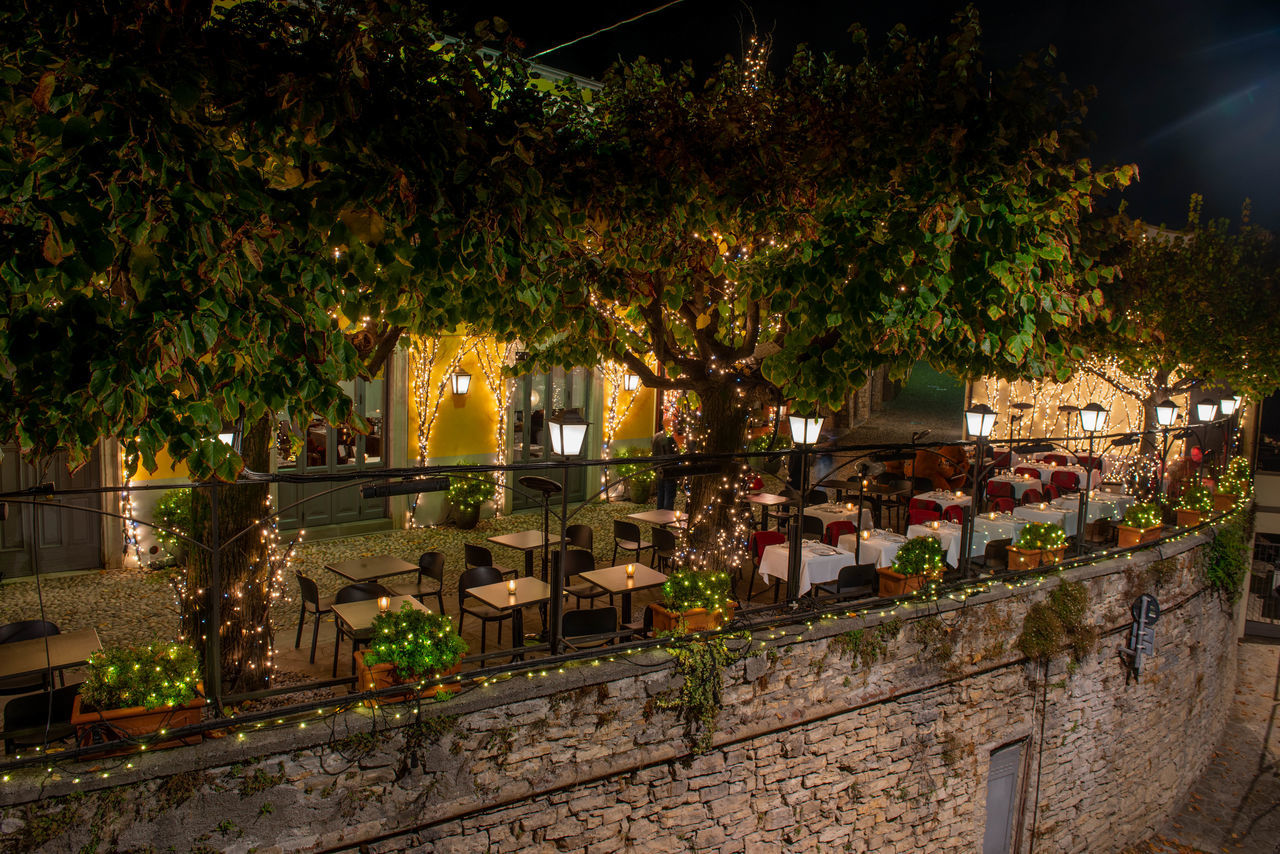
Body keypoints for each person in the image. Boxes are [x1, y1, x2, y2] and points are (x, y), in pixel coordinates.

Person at [652, 428, 678, 511]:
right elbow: (672, 454)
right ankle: (666, 517)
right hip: (668, 470)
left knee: (661, 494)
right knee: (669, 496)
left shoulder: (655, 437)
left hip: (658, 469)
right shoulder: (668, 438)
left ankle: (659, 517)